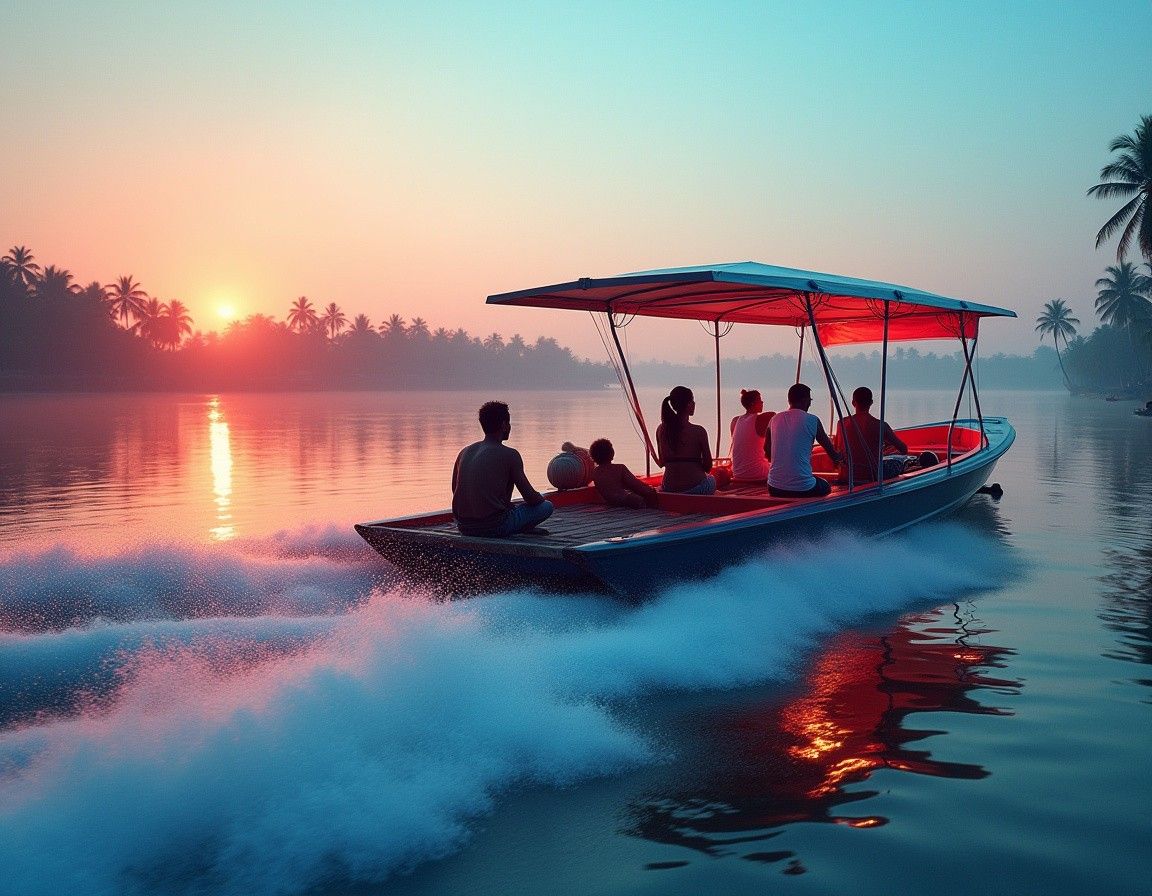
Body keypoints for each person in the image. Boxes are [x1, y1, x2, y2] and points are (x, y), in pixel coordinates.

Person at [452, 400, 553, 536]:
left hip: (464, 526)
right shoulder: (510, 454)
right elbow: (531, 498)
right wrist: (542, 498)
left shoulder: (465, 452)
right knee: (546, 507)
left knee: (510, 507)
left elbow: (455, 489)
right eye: (509, 423)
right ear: (504, 425)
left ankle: (518, 524)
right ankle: (520, 526)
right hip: (494, 526)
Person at [765, 383, 842, 498]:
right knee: (826, 486)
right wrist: (840, 458)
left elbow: (767, 451)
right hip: (803, 488)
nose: (810, 404)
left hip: (774, 488)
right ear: (805, 400)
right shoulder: (813, 420)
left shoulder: (774, 419)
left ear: (789, 400)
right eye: (810, 400)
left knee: (810, 478)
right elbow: (831, 452)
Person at [835, 386, 910, 484]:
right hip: (872, 475)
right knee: (899, 460)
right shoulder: (881, 426)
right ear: (871, 403)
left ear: (853, 403)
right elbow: (903, 449)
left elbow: (836, 449)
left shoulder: (841, 423)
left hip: (847, 475)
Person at [655, 385, 716, 494]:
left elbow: (662, 463)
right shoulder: (699, 431)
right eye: (692, 401)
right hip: (695, 488)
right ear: (688, 405)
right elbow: (708, 466)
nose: (694, 404)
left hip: (669, 487)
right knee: (713, 479)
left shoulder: (661, 430)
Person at [589, 438, 659, 509]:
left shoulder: (595, 472)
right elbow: (635, 483)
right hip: (626, 499)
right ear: (611, 453)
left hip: (611, 501)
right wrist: (650, 489)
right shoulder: (619, 468)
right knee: (646, 495)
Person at [729, 388, 774, 482]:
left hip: (737, 473)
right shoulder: (761, 419)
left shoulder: (735, 420)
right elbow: (773, 415)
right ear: (753, 403)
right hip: (757, 473)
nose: (762, 402)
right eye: (760, 400)